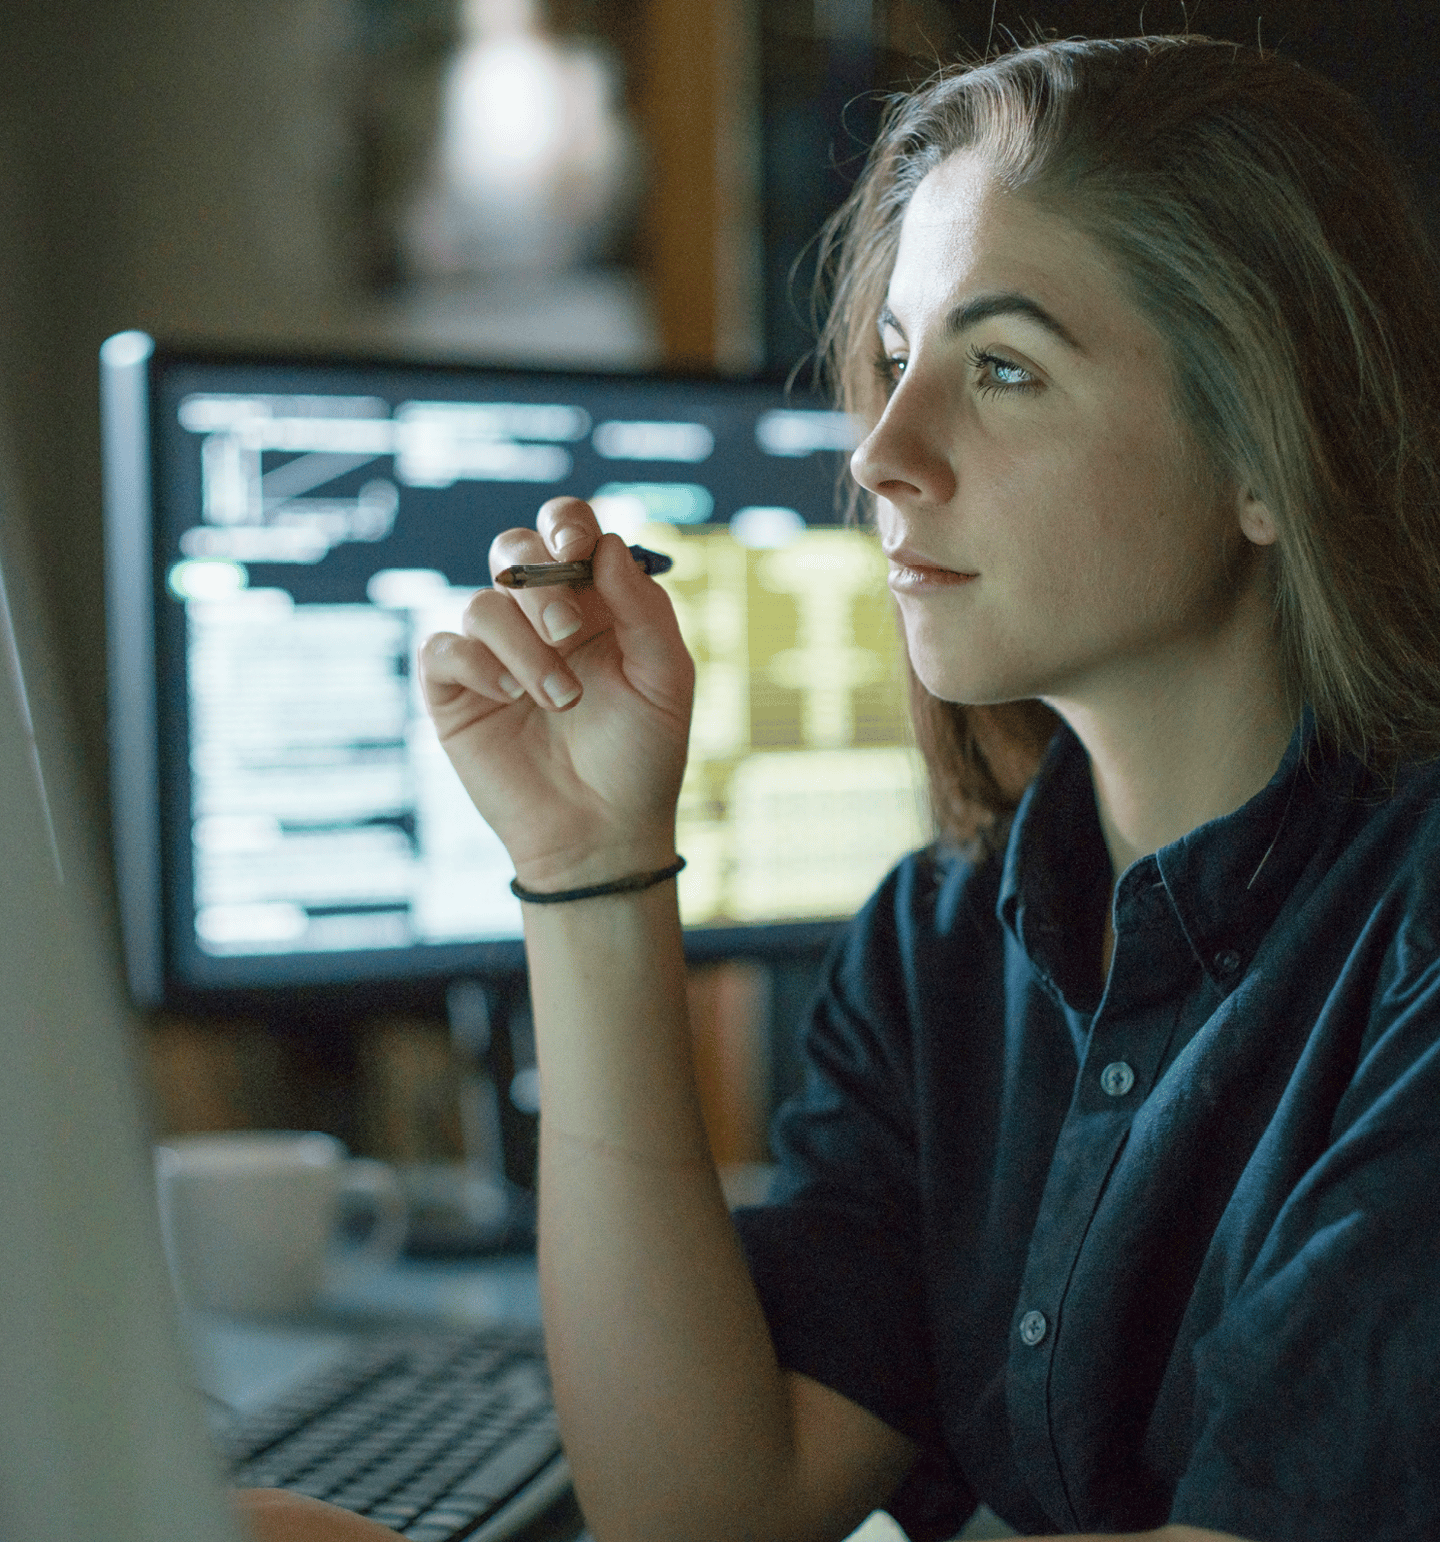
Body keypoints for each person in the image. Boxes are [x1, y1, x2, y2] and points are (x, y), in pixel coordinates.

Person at [245, 31, 1440, 1542]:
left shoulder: (1414, 937)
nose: (879, 452)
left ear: (1268, 449)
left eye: (1002, 369)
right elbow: (705, 1510)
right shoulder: (938, 947)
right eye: (894, 354)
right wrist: (590, 862)